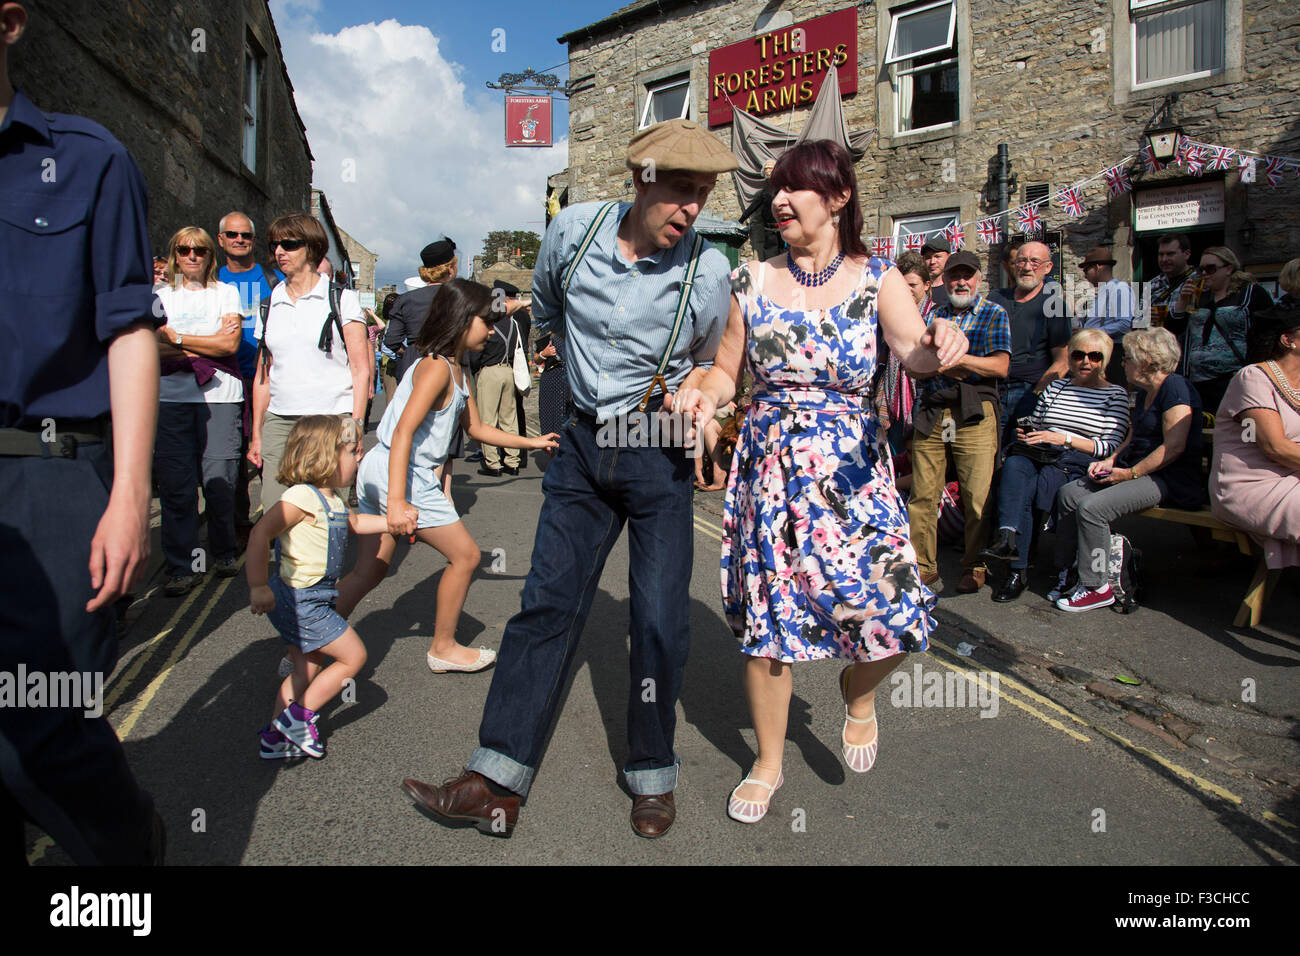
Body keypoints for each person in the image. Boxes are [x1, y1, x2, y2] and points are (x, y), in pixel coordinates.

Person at [398, 119, 735, 840]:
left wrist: (701, 393)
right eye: (680, 190)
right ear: (640, 180)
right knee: (546, 605)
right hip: (583, 441)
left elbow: (714, 360)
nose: (692, 209)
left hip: (656, 442)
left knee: (657, 620)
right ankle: (494, 780)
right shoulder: (574, 233)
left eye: (703, 194)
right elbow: (547, 307)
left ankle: (651, 771)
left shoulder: (707, 271)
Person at [671, 139, 967, 823]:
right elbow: (725, 372)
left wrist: (941, 343)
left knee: (896, 610)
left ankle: (857, 693)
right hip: (770, 472)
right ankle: (768, 762)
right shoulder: (748, 280)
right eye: (774, 188)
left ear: (837, 199)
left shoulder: (878, 278)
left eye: (796, 187)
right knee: (769, 625)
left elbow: (913, 353)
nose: (779, 199)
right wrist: (703, 398)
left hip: (854, 474)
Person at [0, 0, 163, 863]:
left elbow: (129, 328)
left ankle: (124, 867)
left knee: (40, 734)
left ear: (10, 22)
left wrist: (129, 497)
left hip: (49, 474)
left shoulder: (88, 158)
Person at [337, 279, 558, 673]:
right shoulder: (438, 368)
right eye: (485, 323)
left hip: (381, 467)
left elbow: (476, 429)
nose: (491, 330)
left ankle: (308, 642)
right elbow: (404, 430)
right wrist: (399, 501)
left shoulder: (455, 367)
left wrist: (534, 442)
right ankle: (443, 647)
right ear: (461, 319)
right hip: (403, 473)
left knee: (370, 569)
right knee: (467, 556)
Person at [246, 416, 393, 759]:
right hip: (301, 600)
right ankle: (298, 719)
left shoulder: (333, 500)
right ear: (325, 455)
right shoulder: (301, 498)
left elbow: (355, 523)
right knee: (354, 656)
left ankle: (274, 737)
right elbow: (260, 534)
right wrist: (257, 585)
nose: (359, 457)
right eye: (352, 451)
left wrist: (390, 521)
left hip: (313, 598)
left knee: (306, 669)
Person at [1053, 327, 1204, 612]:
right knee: (1070, 494)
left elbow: (1174, 447)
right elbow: (1134, 436)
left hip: (1167, 477)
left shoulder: (1175, 388)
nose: (1123, 364)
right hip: (1138, 470)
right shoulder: (1148, 392)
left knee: (1092, 509)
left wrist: (1130, 473)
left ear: (1146, 360)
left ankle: (1096, 586)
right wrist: (1112, 461)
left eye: (1128, 358)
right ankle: (1067, 573)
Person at [981, 329, 1130, 601]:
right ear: (1070, 359)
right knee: (1014, 465)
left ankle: (1018, 566)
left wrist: (1065, 438)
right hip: (1041, 451)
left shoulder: (1115, 395)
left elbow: (1107, 446)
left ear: (1105, 360)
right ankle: (1008, 540)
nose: (1086, 361)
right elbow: (1037, 424)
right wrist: (1028, 433)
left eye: (1094, 356)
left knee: (1033, 485)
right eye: (1078, 355)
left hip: (1075, 460)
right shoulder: (1057, 386)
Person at [247, 213, 369, 516]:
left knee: (325, 516)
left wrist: (355, 426)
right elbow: (264, 374)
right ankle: (283, 565)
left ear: (312, 249)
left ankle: (321, 565)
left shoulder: (341, 300)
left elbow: (360, 369)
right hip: (280, 420)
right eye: (274, 244)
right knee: (276, 512)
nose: (279, 252)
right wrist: (257, 434)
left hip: (329, 421)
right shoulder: (269, 301)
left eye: (289, 244)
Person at [909, 250, 1012, 595]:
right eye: (955, 276)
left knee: (976, 495)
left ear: (979, 279)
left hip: (974, 410)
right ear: (945, 280)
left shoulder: (994, 313)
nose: (961, 282)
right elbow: (914, 365)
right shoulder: (932, 315)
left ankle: (976, 565)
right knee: (923, 494)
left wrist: (953, 359)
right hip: (934, 409)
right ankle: (924, 568)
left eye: (968, 275)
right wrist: (956, 365)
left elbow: (999, 368)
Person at [153, 226, 245, 595]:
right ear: (174, 254)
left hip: (220, 398)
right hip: (171, 399)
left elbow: (229, 345)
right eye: (184, 250)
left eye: (200, 251)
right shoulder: (160, 296)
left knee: (220, 481)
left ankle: (223, 551)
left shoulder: (226, 292)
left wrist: (175, 338)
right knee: (176, 487)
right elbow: (150, 349)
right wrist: (203, 345)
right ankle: (182, 565)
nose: (192, 256)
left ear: (211, 256)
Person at [1209, 302, 1300, 571]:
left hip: (1291, 477)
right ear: (1288, 340)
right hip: (1251, 486)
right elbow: (1275, 447)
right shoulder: (1253, 377)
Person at [217, 211, 283, 527]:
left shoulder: (273, 280)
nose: (239, 240)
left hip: (266, 376)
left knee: (268, 452)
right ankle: (238, 526)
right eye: (232, 234)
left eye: (245, 235)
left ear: (254, 241)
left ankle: (275, 520)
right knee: (231, 456)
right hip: (223, 378)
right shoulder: (212, 281)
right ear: (221, 240)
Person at [1172, 245, 1274, 416]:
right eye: (1201, 269)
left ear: (1229, 268)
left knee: (1238, 430)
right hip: (1197, 381)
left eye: (1210, 268)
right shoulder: (1198, 296)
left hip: (1234, 379)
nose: (1204, 273)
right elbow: (1175, 330)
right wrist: (1182, 302)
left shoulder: (1249, 293)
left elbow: (1268, 331)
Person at [989, 240, 1071, 448]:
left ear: (1048, 267)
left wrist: (1035, 397)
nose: (1026, 267)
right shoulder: (996, 298)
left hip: (1029, 391)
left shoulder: (1055, 306)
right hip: (992, 390)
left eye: (1034, 262)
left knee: (1019, 452)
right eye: (1022, 261)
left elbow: (1063, 361)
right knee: (987, 454)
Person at [466, 280, 532, 476]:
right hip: (508, 370)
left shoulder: (488, 324)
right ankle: (512, 461)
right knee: (509, 419)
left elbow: (476, 354)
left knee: (487, 419)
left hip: (490, 371)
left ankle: (493, 463)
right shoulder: (513, 324)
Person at [873, 251, 929, 454]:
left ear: (927, 286)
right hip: (894, 401)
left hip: (922, 405)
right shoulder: (889, 318)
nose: (908, 290)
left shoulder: (934, 315)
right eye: (904, 286)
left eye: (913, 285)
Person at [384, 239, 455, 384]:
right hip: (448, 360)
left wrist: (409, 352)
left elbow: (391, 341)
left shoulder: (405, 300)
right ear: (450, 269)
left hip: (414, 362)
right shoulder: (458, 297)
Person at [1080, 245, 1135, 388]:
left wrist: (1090, 333)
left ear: (1098, 267)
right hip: (1100, 351)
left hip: (1113, 353)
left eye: (1087, 269)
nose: (1085, 275)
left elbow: (1124, 324)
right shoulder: (1103, 291)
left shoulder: (1120, 289)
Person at [1149, 233, 1194, 331]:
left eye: (1170, 254)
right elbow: (1134, 324)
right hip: (1158, 344)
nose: (1164, 259)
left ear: (1187, 254)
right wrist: (1145, 318)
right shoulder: (1152, 284)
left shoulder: (1199, 281)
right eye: (1161, 254)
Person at [921, 236, 951, 311]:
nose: (932, 262)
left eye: (937, 256)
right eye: (928, 257)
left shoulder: (953, 287)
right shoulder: (918, 287)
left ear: (949, 257)